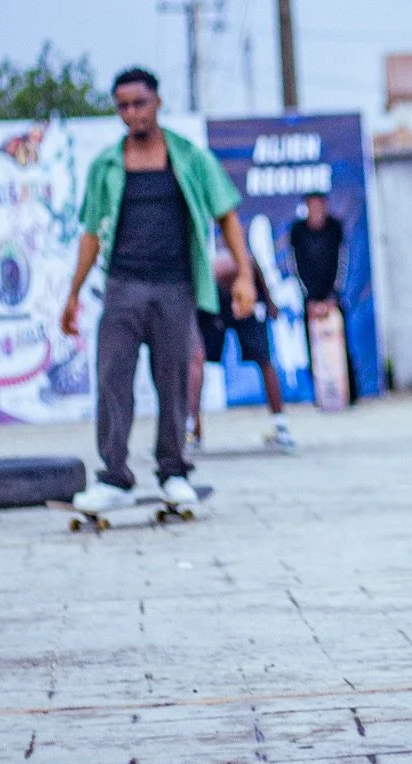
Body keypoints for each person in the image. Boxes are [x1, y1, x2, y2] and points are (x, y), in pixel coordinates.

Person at [60, 68, 257, 514]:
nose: (132, 113)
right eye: (123, 106)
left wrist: (244, 276)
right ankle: (114, 478)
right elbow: (90, 234)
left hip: (175, 287)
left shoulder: (188, 157)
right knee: (112, 378)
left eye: (139, 103)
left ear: (157, 103)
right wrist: (72, 294)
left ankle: (173, 471)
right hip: (122, 286)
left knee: (173, 381)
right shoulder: (107, 165)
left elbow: (227, 215)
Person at [190, 248, 295, 452]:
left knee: (264, 359)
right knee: (197, 360)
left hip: (246, 294)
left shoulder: (235, 263)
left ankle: (281, 428)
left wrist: (269, 301)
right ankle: (192, 431)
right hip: (218, 297)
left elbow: (252, 264)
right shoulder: (208, 272)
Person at [288, 193, 358, 402]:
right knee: (314, 346)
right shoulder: (298, 231)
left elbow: (343, 262)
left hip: (333, 298)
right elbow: (295, 266)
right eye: (312, 206)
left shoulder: (335, 228)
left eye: (320, 205)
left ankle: (349, 393)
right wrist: (309, 299)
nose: (316, 210)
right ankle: (322, 395)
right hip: (310, 298)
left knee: (340, 343)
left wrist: (333, 296)